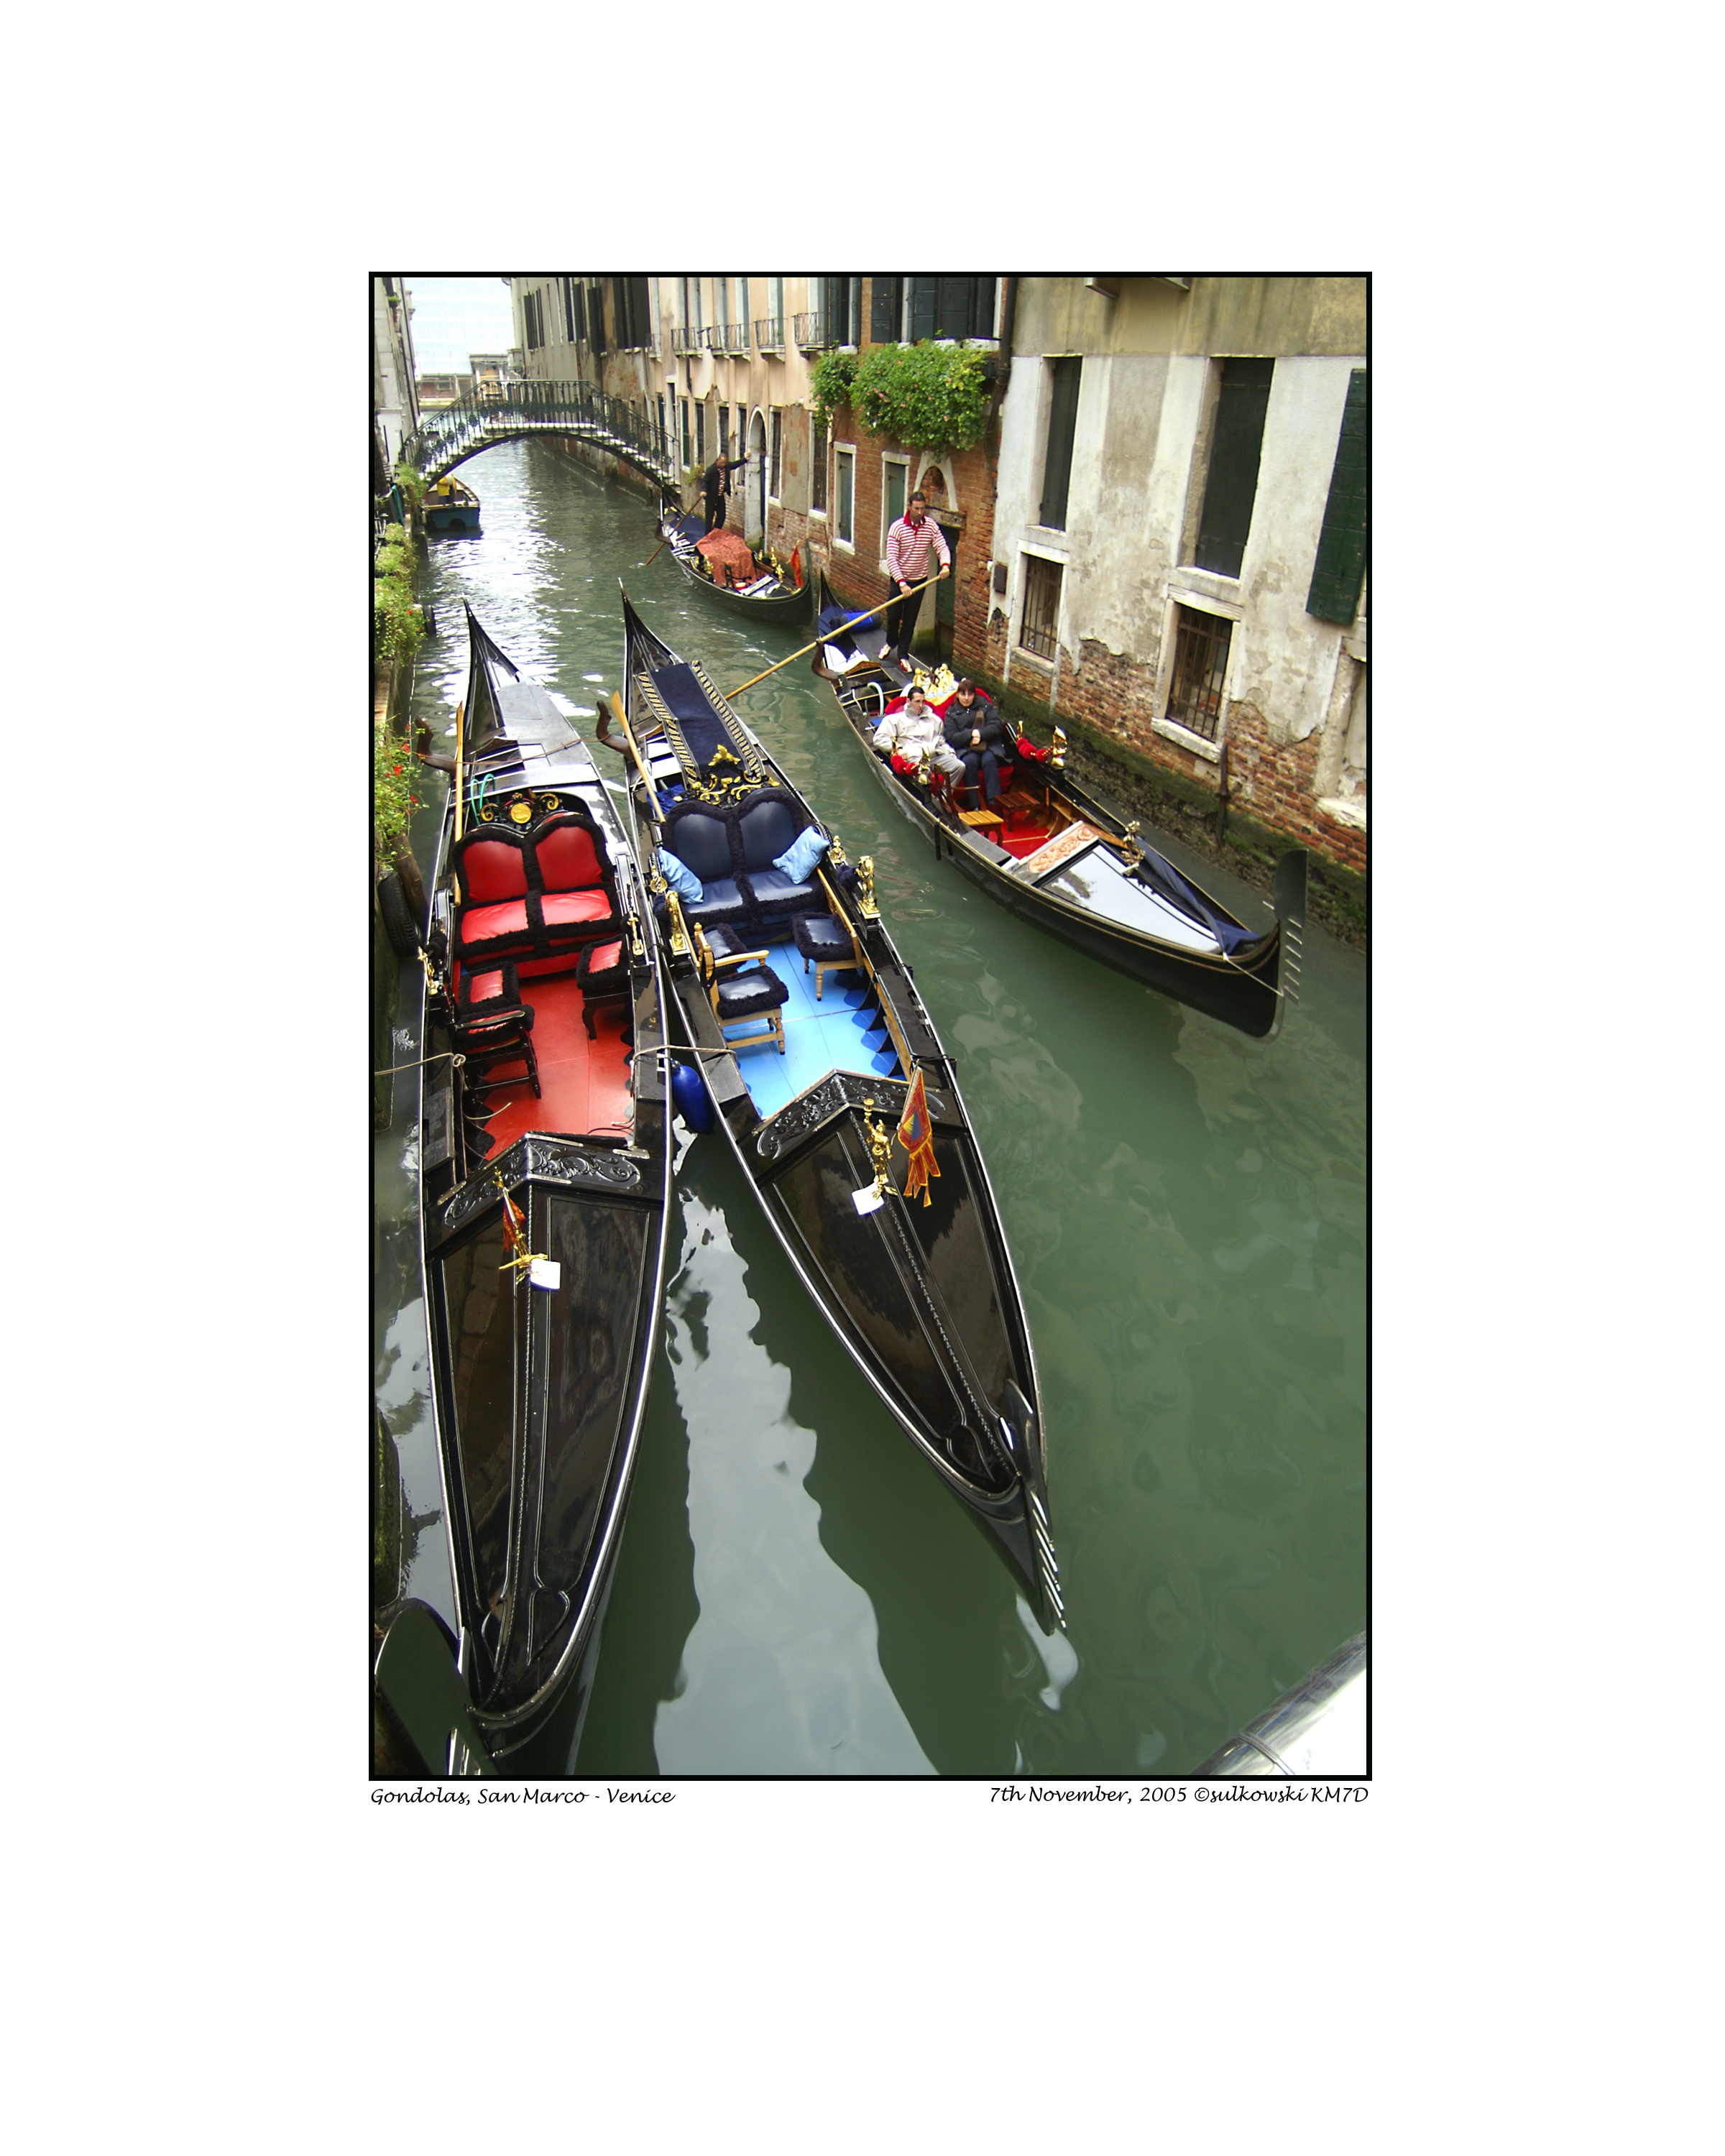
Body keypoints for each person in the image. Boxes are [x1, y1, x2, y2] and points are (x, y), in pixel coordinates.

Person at [883, 490, 949, 664]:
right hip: (899, 581)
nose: (920, 513)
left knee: (910, 621)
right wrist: (902, 583)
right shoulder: (897, 528)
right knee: (893, 615)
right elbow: (891, 558)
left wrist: (945, 565)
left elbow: (942, 546)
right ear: (910, 507)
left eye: (923, 509)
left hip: (919, 580)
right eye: (917, 509)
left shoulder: (930, 526)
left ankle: (903, 655)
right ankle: (890, 643)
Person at [871, 686, 965, 785]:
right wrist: (898, 748)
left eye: (923, 701)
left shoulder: (934, 720)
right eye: (917, 702)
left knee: (959, 766)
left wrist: (950, 752)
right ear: (908, 701)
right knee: (924, 775)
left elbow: (940, 741)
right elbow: (879, 739)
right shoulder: (895, 720)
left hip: (934, 755)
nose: (921, 705)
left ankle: (942, 796)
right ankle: (928, 795)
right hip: (914, 758)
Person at [942, 678, 1008, 808]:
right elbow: (952, 737)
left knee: (989, 760)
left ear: (974, 695)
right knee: (970, 762)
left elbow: (996, 725)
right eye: (963, 694)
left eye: (970, 694)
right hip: (966, 749)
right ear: (958, 695)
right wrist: (971, 734)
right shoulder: (951, 713)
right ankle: (975, 805)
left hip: (988, 745)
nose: (966, 698)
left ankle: (995, 803)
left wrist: (980, 734)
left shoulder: (984, 706)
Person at [700, 449, 740, 532]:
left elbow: (735, 464)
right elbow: (705, 481)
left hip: (720, 497)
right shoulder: (711, 470)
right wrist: (703, 490)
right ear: (718, 460)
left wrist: (745, 459)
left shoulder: (726, 467)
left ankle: (715, 532)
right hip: (711, 498)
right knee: (709, 519)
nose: (724, 464)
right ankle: (708, 538)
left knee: (722, 516)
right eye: (722, 462)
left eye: (725, 463)